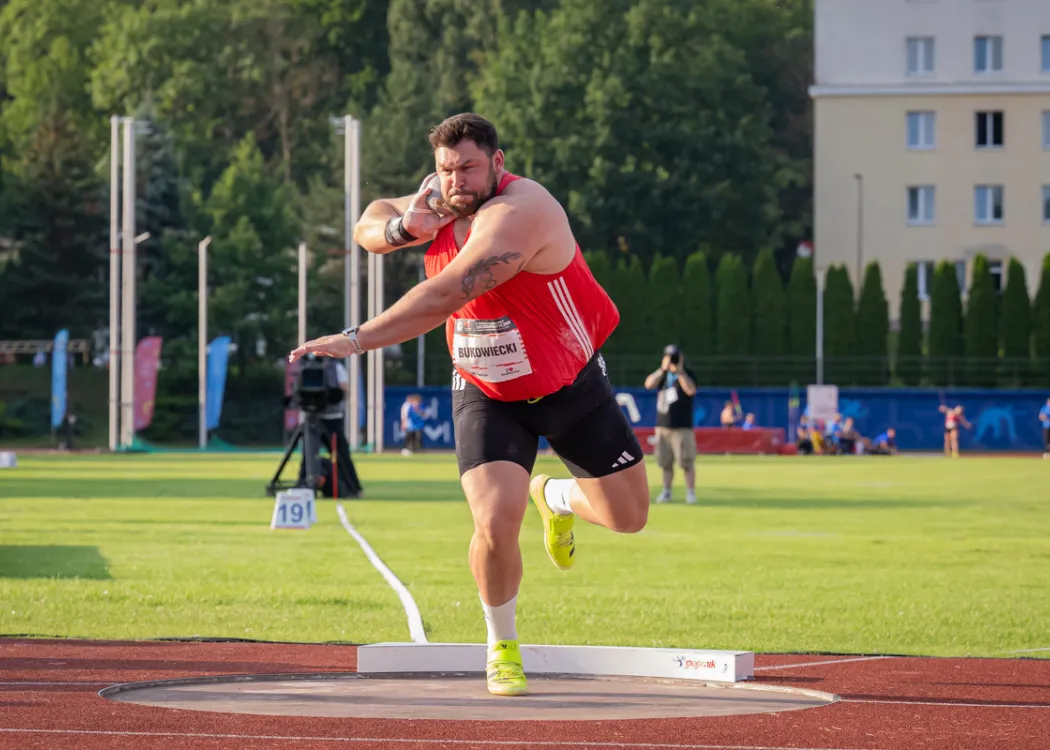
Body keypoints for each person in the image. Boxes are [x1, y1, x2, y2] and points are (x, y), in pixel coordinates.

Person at [287, 113, 649, 698]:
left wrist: (354, 340)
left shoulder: (520, 210)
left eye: (468, 167)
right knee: (494, 520)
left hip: (569, 383)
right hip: (485, 390)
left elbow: (443, 295)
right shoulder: (442, 199)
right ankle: (501, 646)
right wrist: (407, 224)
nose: (455, 180)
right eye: (445, 169)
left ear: (498, 164)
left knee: (629, 518)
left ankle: (553, 495)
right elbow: (368, 223)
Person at [644, 345, 697, 504]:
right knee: (664, 462)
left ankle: (690, 492)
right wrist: (662, 369)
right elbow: (648, 384)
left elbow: (690, 390)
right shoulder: (662, 375)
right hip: (663, 426)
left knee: (686, 462)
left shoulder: (687, 374)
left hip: (682, 427)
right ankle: (667, 491)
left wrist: (680, 371)